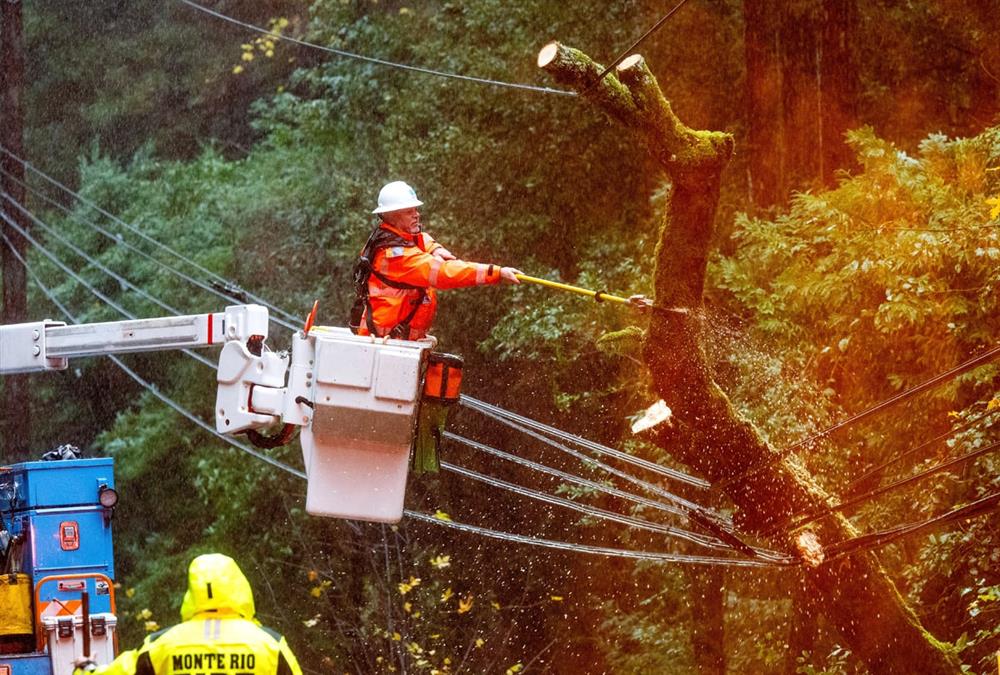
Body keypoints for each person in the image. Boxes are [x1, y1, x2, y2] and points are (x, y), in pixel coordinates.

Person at [73, 553, 303, 675]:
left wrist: (86, 668)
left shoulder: (161, 646)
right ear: (241, 586)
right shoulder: (271, 646)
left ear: (192, 592)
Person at [351, 181, 521, 340]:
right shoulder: (396, 256)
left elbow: (420, 238)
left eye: (416, 210)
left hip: (395, 341)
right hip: (387, 344)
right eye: (409, 212)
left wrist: (435, 248)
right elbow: (444, 273)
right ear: (393, 216)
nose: (417, 215)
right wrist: (497, 272)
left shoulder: (389, 236)